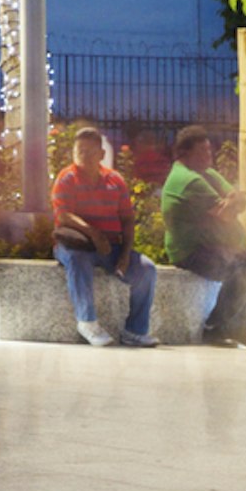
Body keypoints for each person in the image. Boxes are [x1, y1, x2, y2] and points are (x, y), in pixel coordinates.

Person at [160, 126, 246, 349]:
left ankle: (242, 327)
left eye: (209, 151)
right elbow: (226, 214)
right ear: (185, 154)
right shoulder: (188, 180)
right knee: (243, 269)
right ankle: (215, 327)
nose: (208, 156)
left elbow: (239, 200)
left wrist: (233, 202)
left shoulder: (207, 173)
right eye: (202, 152)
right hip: (192, 251)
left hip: (217, 246)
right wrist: (232, 205)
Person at [51, 128, 157, 349]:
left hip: (112, 247)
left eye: (90, 151)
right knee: (78, 259)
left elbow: (127, 220)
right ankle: (87, 322)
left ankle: (135, 331)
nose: (84, 156)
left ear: (101, 154)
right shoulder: (66, 178)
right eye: (79, 151)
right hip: (74, 245)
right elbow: (63, 215)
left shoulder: (115, 181)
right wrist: (92, 232)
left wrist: (126, 254)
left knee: (147, 270)